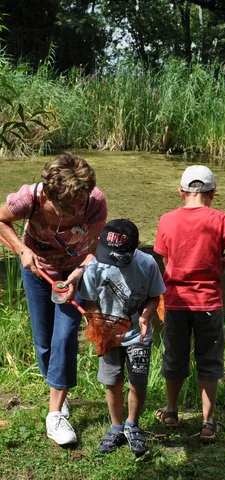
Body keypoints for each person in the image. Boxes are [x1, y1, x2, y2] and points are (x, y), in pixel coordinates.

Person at [0, 152, 107, 445]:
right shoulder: (28, 199)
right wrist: (22, 250)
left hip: (74, 272)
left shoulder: (95, 201)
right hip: (38, 271)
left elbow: (94, 246)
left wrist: (81, 271)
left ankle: (55, 414)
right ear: (49, 195)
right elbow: (1, 221)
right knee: (44, 340)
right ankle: (58, 391)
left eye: (78, 205)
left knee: (66, 336)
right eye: (67, 207)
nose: (75, 212)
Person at [153, 165, 225, 442]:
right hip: (208, 302)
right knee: (209, 361)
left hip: (175, 302)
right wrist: (223, 263)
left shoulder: (167, 219)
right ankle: (207, 424)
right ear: (213, 193)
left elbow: (165, 259)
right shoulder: (220, 218)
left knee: (174, 356)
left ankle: (171, 412)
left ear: (181, 192)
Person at [80, 219, 166, 457]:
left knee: (137, 380)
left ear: (134, 247)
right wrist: (98, 324)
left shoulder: (147, 264)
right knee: (112, 380)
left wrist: (146, 317)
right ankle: (116, 426)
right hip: (108, 335)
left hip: (138, 335)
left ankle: (132, 425)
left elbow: (154, 297)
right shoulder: (96, 266)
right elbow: (90, 302)